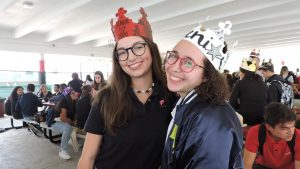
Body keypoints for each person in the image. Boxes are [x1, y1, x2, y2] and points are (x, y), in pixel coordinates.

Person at [77, 7, 176, 169]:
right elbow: (87, 158)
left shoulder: (171, 95)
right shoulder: (105, 98)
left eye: (138, 47)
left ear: (151, 49)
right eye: (122, 52)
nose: (130, 57)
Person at [161, 21, 243, 168]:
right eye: (173, 56)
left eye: (188, 63)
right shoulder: (186, 102)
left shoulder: (209, 120)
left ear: (207, 75)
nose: (174, 67)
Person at [244, 102, 300, 169]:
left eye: (293, 126)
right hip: (263, 166)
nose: (291, 132)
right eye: (284, 128)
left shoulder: (298, 136)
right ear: (269, 127)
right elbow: (246, 165)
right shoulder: (256, 132)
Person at [230, 58, 267, 125]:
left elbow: (232, 103)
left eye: (240, 72)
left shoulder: (240, 83)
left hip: (245, 119)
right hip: (262, 118)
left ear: (243, 72)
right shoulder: (263, 83)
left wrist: (239, 109)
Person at [52, 87, 79, 160]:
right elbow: (63, 118)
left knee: (74, 126)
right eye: (73, 93)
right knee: (68, 128)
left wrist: (75, 121)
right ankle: (62, 150)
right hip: (55, 123)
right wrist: (73, 122)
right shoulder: (64, 102)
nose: (76, 94)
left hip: (64, 122)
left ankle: (70, 140)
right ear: (68, 95)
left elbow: (75, 116)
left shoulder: (74, 102)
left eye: (75, 92)